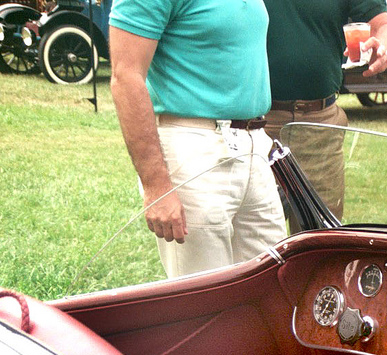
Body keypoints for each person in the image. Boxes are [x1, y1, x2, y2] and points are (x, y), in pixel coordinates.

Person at [109, 0, 286, 279]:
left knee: (272, 286)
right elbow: (126, 77)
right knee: (206, 299)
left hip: (254, 144)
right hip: (193, 147)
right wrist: (156, 186)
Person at [263, 1, 387, 221]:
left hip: (320, 125)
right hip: (256, 124)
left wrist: (383, 50)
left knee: (320, 240)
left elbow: (384, 25)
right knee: (260, 246)